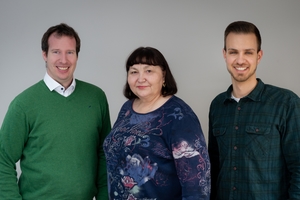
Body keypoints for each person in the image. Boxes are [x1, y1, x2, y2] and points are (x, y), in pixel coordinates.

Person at [0, 23, 111, 199]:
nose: (64, 60)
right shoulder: (23, 104)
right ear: (44, 54)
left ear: (77, 56)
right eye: (56, 52)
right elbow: (2, 158)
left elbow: (105, 153)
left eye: (70, 52)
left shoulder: (96, 97)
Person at [103, 46, 210, 200]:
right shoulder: (127, 109)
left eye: (149, 71)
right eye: (134, 72)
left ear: (164, 76)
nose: (140, 78)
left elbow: (197, 186)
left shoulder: (179, 116)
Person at [208, 21, 300, 200]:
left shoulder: (286, 103)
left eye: (248, 52)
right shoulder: (217, 105)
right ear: (224, 54)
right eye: (233, 52)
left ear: (259, 56)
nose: (240, 60)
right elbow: (214, 164)